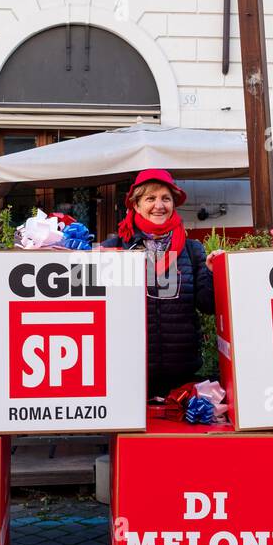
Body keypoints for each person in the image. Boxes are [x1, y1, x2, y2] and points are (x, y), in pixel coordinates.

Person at [102, 169, 214, 397]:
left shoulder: (192, 250)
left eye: (166, 198)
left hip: (181, 375)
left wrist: (212, 273)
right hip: (126, 373)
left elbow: (207, 305)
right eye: (150, 198)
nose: (159, 205)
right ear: (136, 205)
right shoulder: (115, 247)